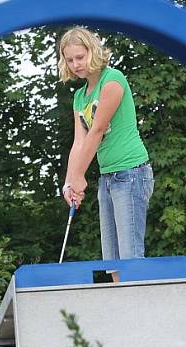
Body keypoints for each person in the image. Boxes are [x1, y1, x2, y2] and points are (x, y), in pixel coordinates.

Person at [58, 27, 154, 275]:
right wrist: (70, 183)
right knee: (111, 262)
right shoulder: (80, 96)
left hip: (131, 174)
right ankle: (122, 310)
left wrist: (80, 177)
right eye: (70, 59)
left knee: (130, 258)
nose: (76, 64)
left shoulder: (112, 80)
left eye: (80, 57)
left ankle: (137, 310)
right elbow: (79, 143)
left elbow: (98, 130)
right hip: (107, 178)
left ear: (93, 51)